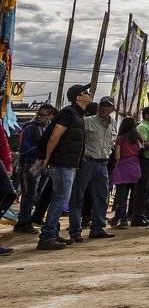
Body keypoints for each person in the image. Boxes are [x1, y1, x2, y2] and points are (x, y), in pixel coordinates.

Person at [36, 83, 91, 250]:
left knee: (58, 198)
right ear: (78, 97)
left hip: (68, 164)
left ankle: (51, 233)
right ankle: (47, 237)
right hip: (61, 163)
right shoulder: (69, 113)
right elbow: (54, 137)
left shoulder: (77, 114)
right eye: (86, 92)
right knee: (60, 199)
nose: (89, 94)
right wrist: (46, 158)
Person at [70, 95, 117, 241]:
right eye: (103, 105)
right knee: (78, 196)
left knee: (102, 197)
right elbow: (77, 140)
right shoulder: (87, 121)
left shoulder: (113, 122)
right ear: (99, 106)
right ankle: (75, 231)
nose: (105, 108)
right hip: (87, 162)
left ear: (112, 108)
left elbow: (112, 142)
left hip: (103, 164)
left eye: (108, 106)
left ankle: (97, 228)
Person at [13, 102, 54, 235]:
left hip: (43, 166)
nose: (40, 117)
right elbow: (24, 149)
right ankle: (23, 223)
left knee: (35, 196)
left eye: (43, 115)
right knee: (29, 195)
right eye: (39, 114)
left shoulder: (49, 128)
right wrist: (41, 149)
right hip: (30, 166)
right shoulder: (30, 128)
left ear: (50, 116)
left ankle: (26, 221)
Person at [110, 116, 143, 226]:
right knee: (132, 195)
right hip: (135, 166)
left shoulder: (120, 139)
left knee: (122, 196)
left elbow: (117, 155)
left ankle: (123, 220)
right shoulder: (138, 138)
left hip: (122, 167)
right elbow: (140, 150)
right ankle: (119, 218)